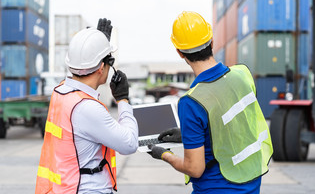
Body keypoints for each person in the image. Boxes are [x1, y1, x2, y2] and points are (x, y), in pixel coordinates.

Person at [148, 11, 273, 194]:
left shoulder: (191, 101)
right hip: (252, 186)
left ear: (180, 52)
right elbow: (235, 128)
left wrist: (165, 155)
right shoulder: (242, 76)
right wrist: (189, 136)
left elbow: (194, 168)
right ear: (212, 42)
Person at [35, 19, 138, 194]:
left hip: (65, 187)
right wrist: (122, 100)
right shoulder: (87, 108)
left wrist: (97, 45)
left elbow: (83, 69)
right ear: (101, 67)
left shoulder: (60, 92)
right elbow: (129, 144)